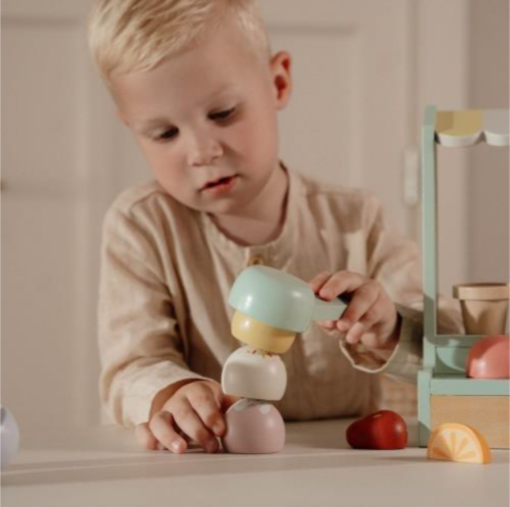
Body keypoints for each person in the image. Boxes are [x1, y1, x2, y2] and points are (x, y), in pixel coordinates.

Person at [88, 0, 461, 455]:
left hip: (340, 464)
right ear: (132, 129)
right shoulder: (141, 225)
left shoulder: (355, 219)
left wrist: (387, 328)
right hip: (210, 468)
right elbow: (134, 365)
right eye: (164, 134)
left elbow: (448, 342)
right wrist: (171, 395)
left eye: (223, 113)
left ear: (278, 82)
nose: (202, 151)